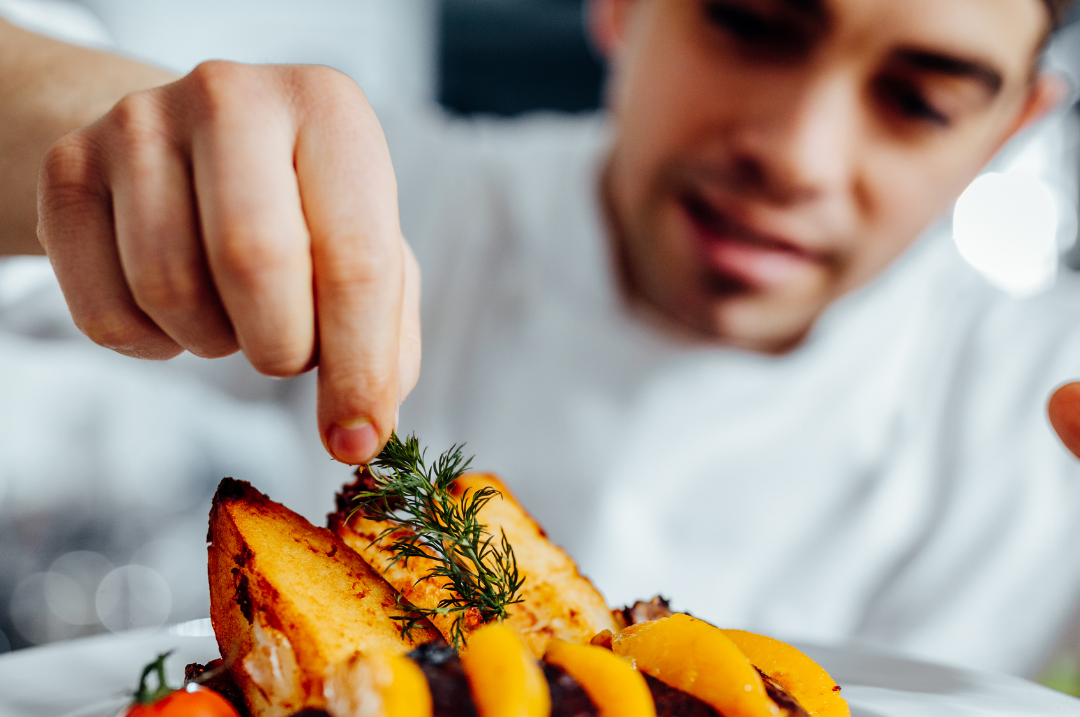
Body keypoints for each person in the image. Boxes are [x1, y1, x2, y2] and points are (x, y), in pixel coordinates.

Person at [1, 0, 1078, 673]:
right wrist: (112, 128)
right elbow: (65, 148)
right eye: (750, 24)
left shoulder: (1044, 386)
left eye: (923, 101)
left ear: (1012, 124)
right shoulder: (425, 206)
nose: (796, 154)